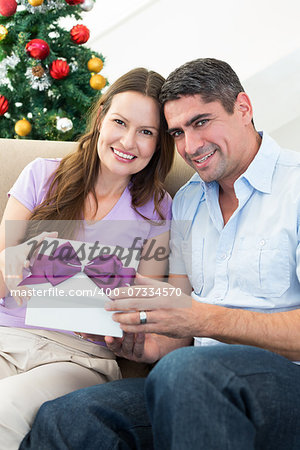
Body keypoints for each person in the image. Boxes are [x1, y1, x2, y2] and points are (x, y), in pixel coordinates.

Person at [20, 58, 300, 450]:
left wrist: (202, 319)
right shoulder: (186, 205)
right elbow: (175, 329)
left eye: (201, 122)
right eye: (178, 132)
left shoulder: (295, 185)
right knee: (68, 416)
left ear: (243, 108)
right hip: (189, 383)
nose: (191, 146)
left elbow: (194, 319)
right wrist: (143, 342)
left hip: (285, 385)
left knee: (185, 372)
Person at [0, 67, 174, 449]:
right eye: (120, 122)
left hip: (78, 358)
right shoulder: (41, 176)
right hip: (8, 336)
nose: (129, 141)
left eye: (146, 132)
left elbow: (147, 308)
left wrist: (121, 312)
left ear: (159, 143)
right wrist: (17, 256)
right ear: (100, 118)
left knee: (3, 410)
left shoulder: (157, 210)